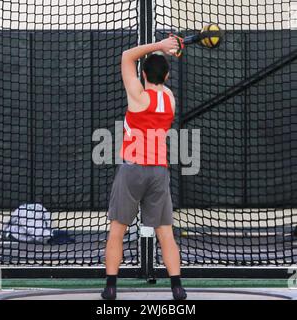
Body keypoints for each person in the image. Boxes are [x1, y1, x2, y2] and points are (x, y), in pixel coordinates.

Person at [101, 37, 187, 300]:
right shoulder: (169, 99)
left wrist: (158, 45)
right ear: (168, 75)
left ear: (143, 75)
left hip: (132, 170)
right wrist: (163, 52)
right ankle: (177, 287)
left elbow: (127, 55)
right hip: (158, 172)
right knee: (165, 232)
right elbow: (160, 81)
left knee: (118, 229)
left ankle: (111, 287)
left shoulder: (137, 96)